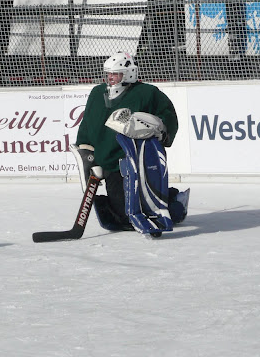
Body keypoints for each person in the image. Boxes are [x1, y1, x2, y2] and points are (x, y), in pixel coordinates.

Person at [74, 51, 189, 232]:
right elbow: (87, 124)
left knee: (146, 206)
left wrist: (162, 131)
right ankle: (168, 198)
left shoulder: (147, 93)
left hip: (137, 160)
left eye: (115, 74)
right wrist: (87, 153)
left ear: (129, 74)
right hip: (110, 163)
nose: (110, 78)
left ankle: (176, 203)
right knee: (123, 217)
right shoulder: (97, 93)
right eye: (108, 74)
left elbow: (168, 116)